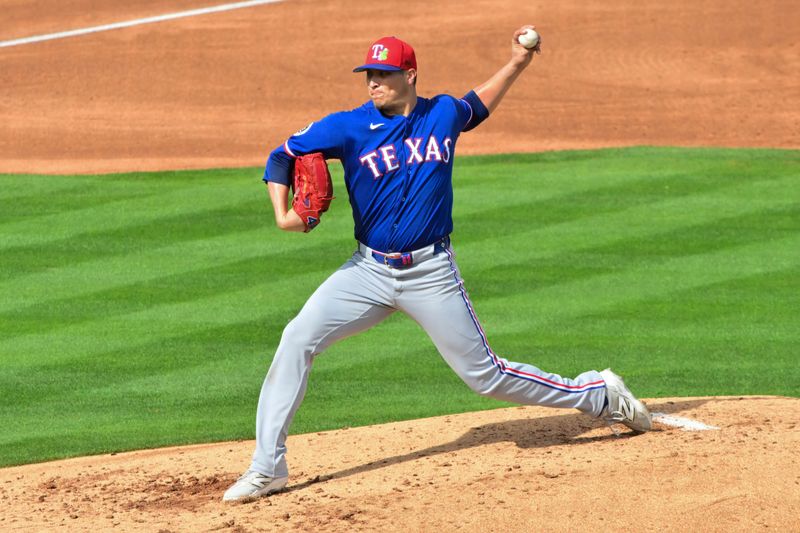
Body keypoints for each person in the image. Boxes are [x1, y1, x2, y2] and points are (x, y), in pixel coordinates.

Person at [223, 26, 652, 502]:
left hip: (430, 273)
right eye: (369, 73)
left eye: (383, 74)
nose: (373, 82)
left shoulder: (442, 113)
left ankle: (599, 395)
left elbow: (478, 104)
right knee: (296, 338)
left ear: (409, 75)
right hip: (366, 272)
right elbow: (281, 156)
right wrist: (283, 215)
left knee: (484, 376)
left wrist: (517, 63)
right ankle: (268, 467)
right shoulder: (346, 127)